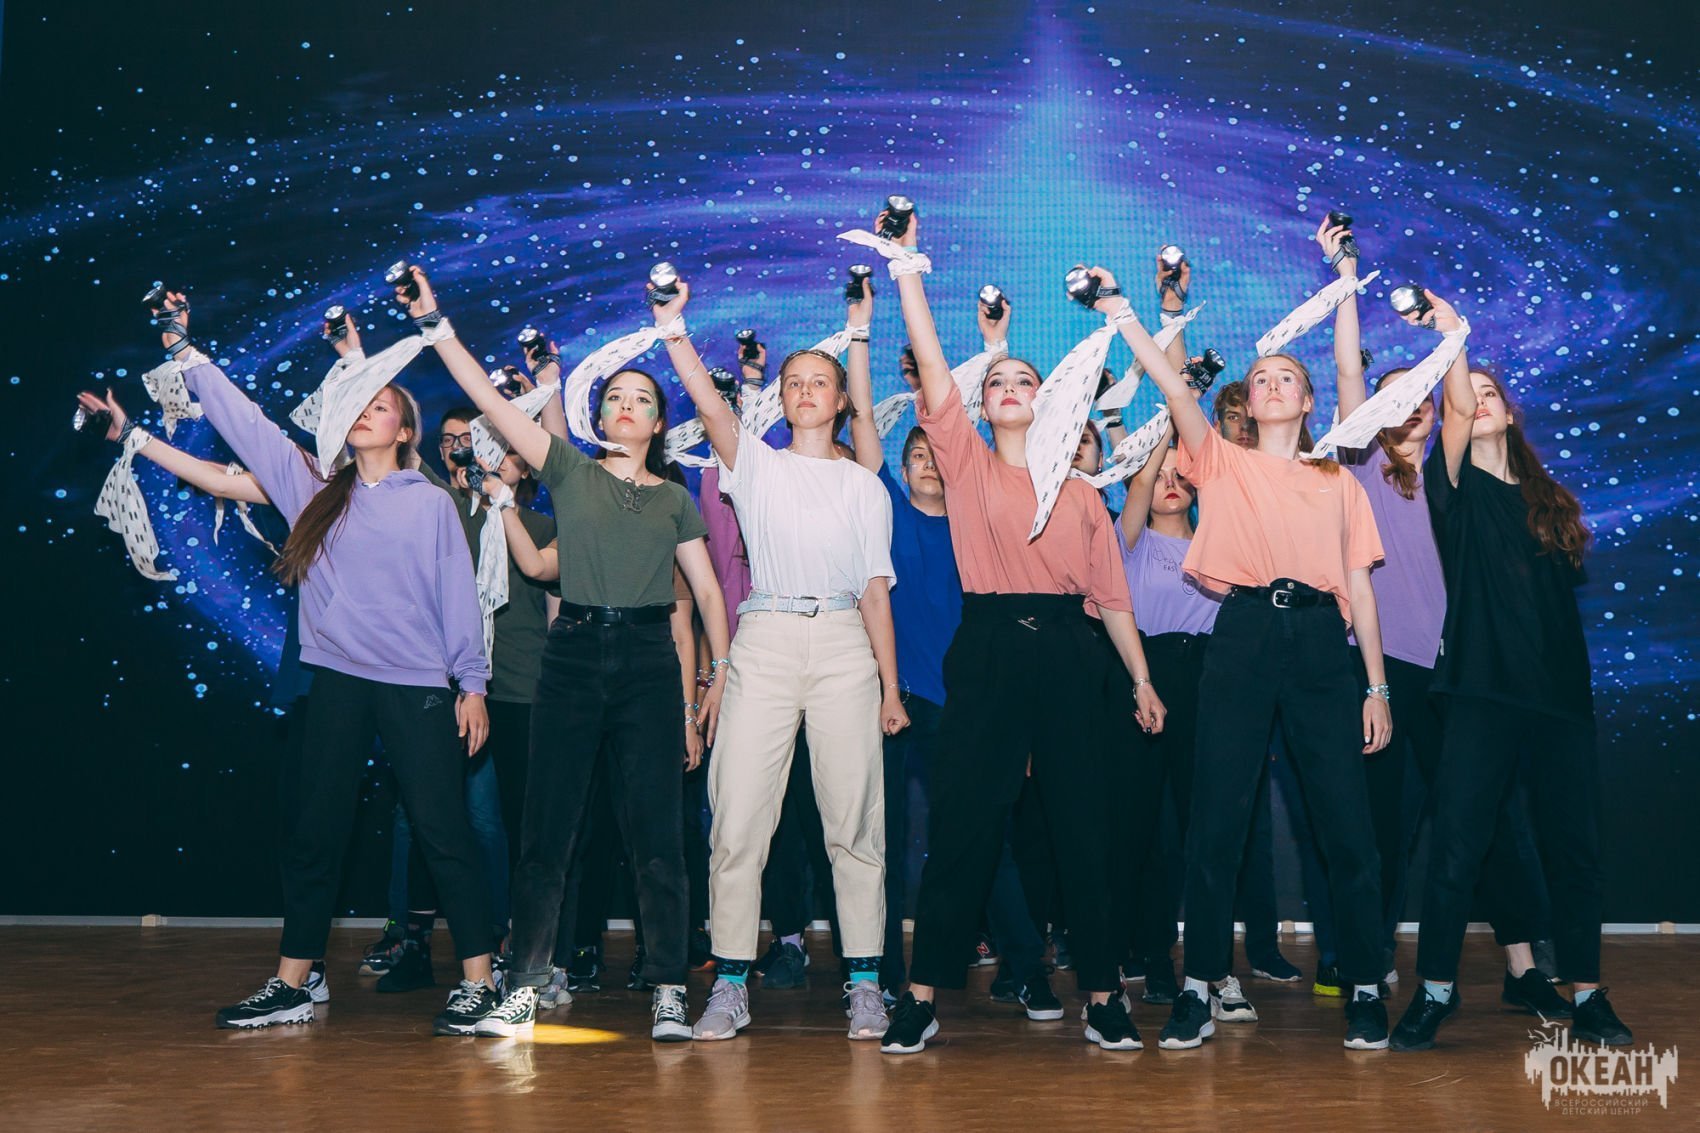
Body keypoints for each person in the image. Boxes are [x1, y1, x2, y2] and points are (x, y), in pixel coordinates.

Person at [143, 293, 502, 1037]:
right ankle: (293, 984)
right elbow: (245, 423)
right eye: (358, 404)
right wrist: (184, 349)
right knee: (314, 833)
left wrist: (471, 684)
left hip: (416, 686)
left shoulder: (430, 502)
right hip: (337, 682)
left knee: (443, 831)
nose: (367, 412)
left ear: (405, 429)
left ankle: (479, 981)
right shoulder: (310, 486)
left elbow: (457, 598)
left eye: (382, 405)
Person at [399, 267, 732, 1043]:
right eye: (614, 396)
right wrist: (435, 325)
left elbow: (709, 596)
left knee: (657, 837)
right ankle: (524, 984)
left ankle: (668, 989)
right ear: (598, 413)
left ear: (658, 422)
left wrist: (713, 679)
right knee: (547, 832)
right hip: (574, 656)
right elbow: (489, 403)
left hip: (649, 658)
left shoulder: (674, 498)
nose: (626, 405)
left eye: (641, 399)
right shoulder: (570, 470)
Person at [879, 214, 1166, 1057]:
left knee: (1083, 827)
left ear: (1048, 400)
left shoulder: (1081, 495)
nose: (1009, 385)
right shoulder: (965, 464)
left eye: (1024, 378)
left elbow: (1112, 598)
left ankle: (1103, 997)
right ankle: (921, 996)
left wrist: (1142, 680)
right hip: (991, 646)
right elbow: (933, 363)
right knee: (963, 825)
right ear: (981, 403)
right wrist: (905, 267)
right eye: (998, 379)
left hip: (1073, 656)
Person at [1100, 251, 1396, 1051]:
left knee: (1346, 823)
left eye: (1284, 377)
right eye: (1259, 377)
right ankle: (1198, 987)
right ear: (1250, 401)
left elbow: (1360, 589)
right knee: (1217, 819)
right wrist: (1125, 311)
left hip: (1321, 644)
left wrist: (1376, 688)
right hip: (1243, 634)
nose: (1270, 384)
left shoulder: (1339, 481)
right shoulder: (1220, 461)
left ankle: (1367, 985)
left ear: (1306, 400)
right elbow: (1174, 388)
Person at [650, 271, 905, 1044]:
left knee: (854, 819)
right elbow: (710, 406)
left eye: (819, 382)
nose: (804, 391)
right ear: (783, 399)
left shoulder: (865, 486)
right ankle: (730, 983)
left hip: (844, 645)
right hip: (762, 638)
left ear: (840, 400)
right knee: (738, 816)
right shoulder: (755, 465)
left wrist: (892, 688)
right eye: (794, 382)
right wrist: (674, 330)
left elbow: (875, 592)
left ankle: (866, 984)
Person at [1316, 225, 1561, 1011]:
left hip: (1460, 673)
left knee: (1493, 821)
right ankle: (1368, 959)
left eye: (1418, 397)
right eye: (1394, 399)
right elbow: (1347, 372)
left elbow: (1460, 401)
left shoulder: (1457, 472)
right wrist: (1346, 277)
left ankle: (1523, 968)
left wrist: (1450, 336)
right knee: (1382, 823)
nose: (1410, 408)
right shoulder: (1360, 467)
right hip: (1384, 671)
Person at [1391, 291, 1632, 1051]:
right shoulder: (1454, 486)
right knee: (1458, 848)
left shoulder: (1547, 499)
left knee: (1574, 850)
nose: (1479, 399)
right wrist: (1452, 333)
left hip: (1559, 698)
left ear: (1513, 413)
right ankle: (1434, 991)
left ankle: (1587, 994)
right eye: (1470, 394)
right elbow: (1457, 408)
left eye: (1492, 390)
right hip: (1479, 692)